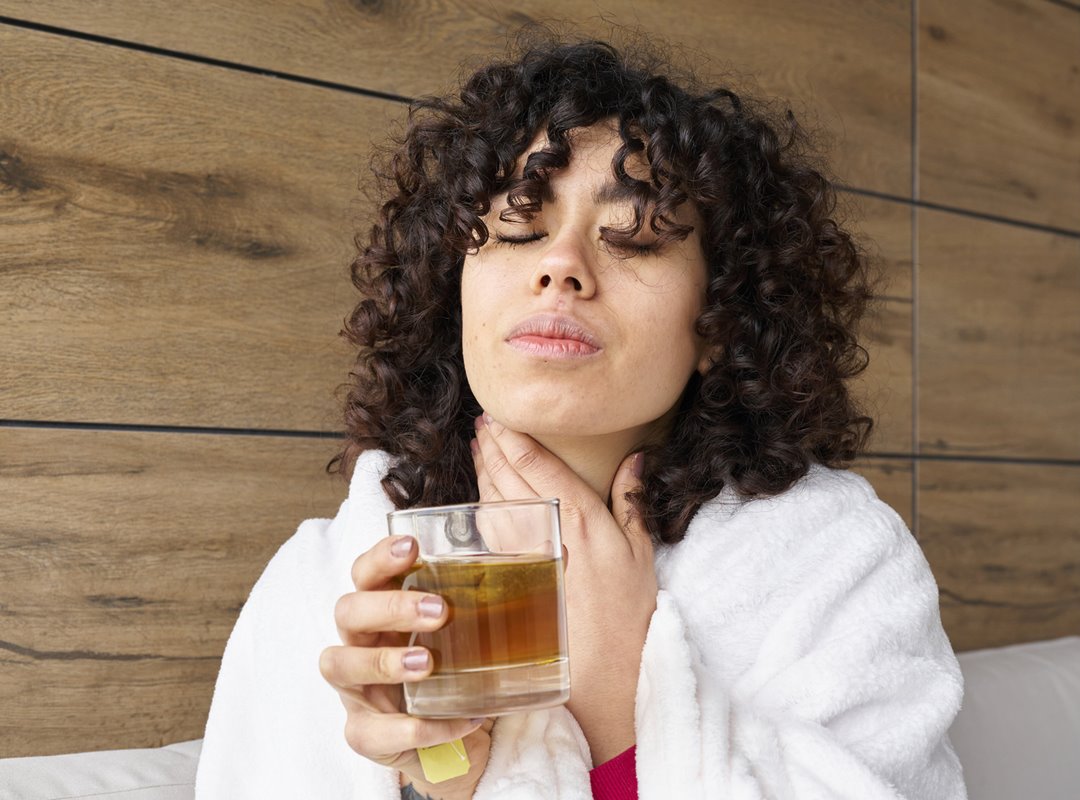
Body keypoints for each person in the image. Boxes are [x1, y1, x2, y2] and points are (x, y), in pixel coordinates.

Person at [195, 31, 967, 800]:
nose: (559, 263)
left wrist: (620, 710)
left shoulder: (838, 569)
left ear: (718, 321)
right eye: (517, 226)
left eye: (633, 237)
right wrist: (442, 780)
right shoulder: (317, 588)